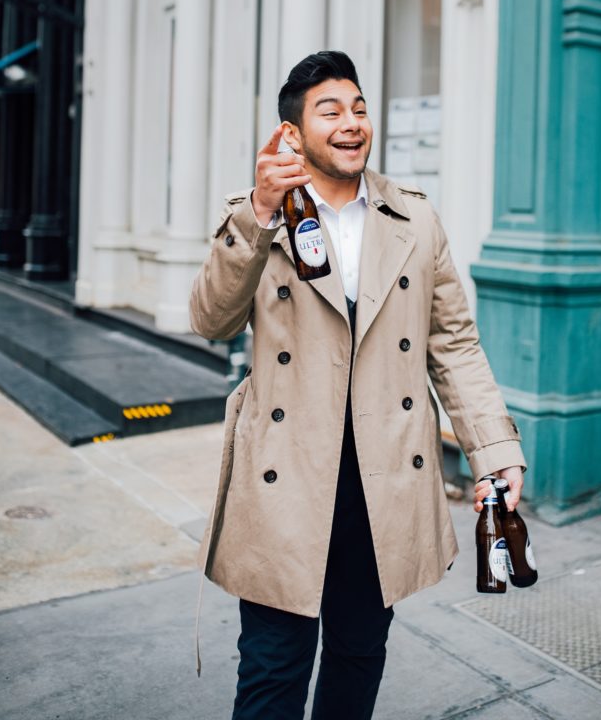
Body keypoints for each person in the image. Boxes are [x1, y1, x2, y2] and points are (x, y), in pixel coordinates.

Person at [190, 51, 526, 720]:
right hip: (286, 480)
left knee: (359, 653)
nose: (352, 124)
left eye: (360, 109)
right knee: (272, 669)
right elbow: (210, 319)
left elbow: (452, 341)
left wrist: (494, 450)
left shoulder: (414, 219)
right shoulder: (262, 217)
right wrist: (259, 211)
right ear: (293, 133)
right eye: (331, 111)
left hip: (383, 478)